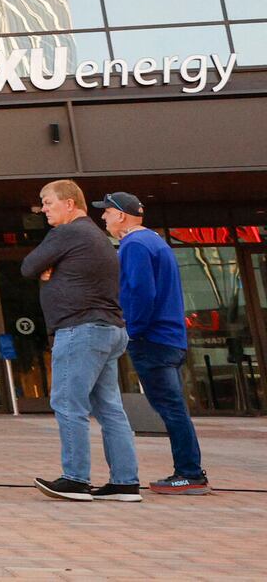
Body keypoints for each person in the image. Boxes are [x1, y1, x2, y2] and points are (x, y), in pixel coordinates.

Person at [23, 177, 139, 502]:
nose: (43, 208)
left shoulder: (68, 232)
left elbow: (29, 266)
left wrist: (48, 268)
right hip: (108, 330)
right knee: (109, 408)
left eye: (48, 202)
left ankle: (75, 479)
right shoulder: (95, 236)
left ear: (69, 204)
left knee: (68, 403)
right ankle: (125, 483)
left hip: (80, 330)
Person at [96, 192, 204, 495]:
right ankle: (190, 471)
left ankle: (189, 473)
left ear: (120, 215)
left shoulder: (134, 245)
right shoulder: (156, 242)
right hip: (169, 338)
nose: (103, 217)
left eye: (106, 212)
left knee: (171, 409)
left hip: (152, 339)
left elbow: (140, 293)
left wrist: (132, 329)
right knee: (174, 408)